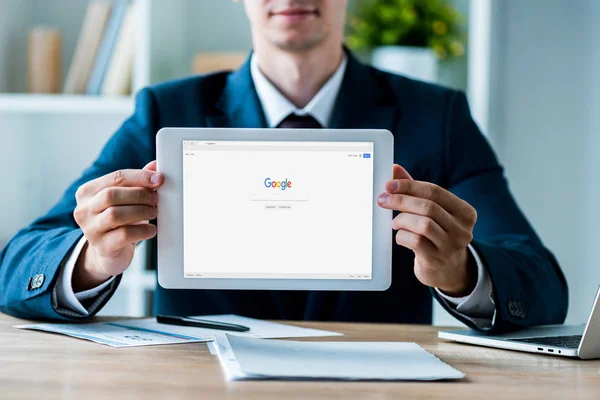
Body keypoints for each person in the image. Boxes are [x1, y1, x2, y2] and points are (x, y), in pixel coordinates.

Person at [0, 0, 567, 331]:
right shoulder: (167, 111)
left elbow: (541, 283)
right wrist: (95, 257)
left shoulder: (435, 115)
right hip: (199, 386)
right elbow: (16, 264)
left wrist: (460, 271)